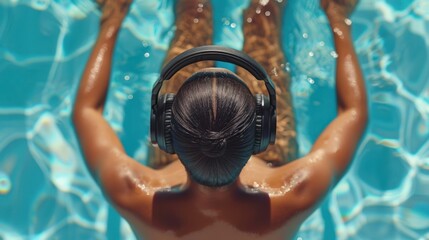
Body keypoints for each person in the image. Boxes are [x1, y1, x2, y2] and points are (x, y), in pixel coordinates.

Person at [72, 0, 367, 239]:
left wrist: (112, 18)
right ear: (262, 131)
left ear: (164, 130)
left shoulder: (136, 195)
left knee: (193, 12)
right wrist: (337, 18)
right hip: (273, 161)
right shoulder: (293, 193)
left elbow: (86, 111)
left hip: (175, 168)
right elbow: (353, 112)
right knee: (264, 14)